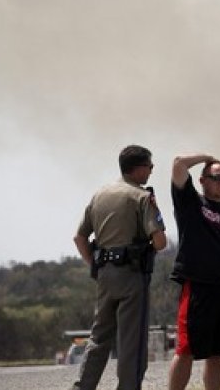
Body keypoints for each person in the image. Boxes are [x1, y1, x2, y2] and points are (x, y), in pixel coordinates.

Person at [71, 145, 167, 390]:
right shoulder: (141, 196)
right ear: (138, 168)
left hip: (104, 275)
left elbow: (80, 238)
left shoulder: (100, 195)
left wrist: (95, 265)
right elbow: (160, 241)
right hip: (131, 276)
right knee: (131, 342)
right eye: (150, 166)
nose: (151, 171)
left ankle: (83, 386)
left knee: (99, 337)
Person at [167, 154, 220, 390]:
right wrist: (208, 156)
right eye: (216, 177)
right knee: (185, 350)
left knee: (217, 353)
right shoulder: (191, 203)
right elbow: (178, 164)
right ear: (202, 180)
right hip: (198, 287)